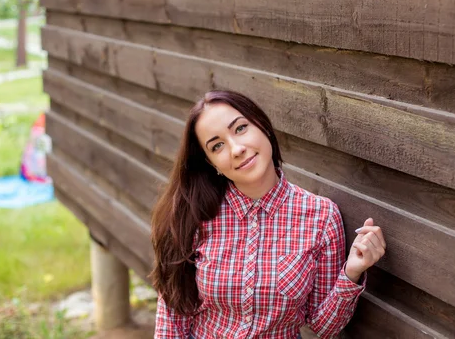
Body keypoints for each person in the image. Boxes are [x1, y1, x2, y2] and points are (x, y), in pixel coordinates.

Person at [151, 91, 386, 338]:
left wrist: (352, 272)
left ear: (262, 125)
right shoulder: (195, 216)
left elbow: (323, 327)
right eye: (217, 145)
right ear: (212, 164)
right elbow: (173, 313)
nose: (236, 149)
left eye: (240, 128)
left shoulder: (321, 217)